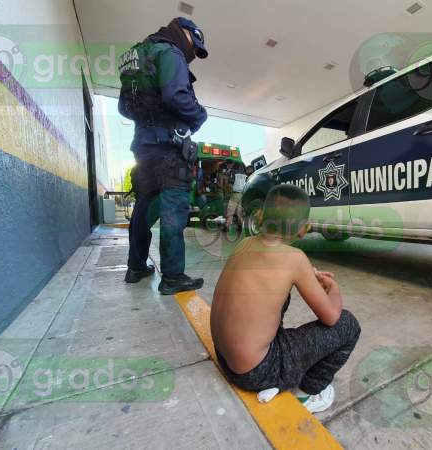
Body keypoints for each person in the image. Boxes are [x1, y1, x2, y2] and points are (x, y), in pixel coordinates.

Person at [210, 185, 361, 412]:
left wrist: (306, 274)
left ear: (260, 216)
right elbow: (331, 317)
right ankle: (307, 394)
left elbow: (274, 275)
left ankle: (275, 376)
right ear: (304, 230)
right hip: (255, 372)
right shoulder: (295, 259)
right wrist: (334, 288)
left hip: (224, 358)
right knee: (348, 325)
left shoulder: (244, 243)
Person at [120, 17, 209, 295]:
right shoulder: (170, 53)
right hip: (169, 147)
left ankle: (135, 267)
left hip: (143, 147)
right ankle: (172, 276)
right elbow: (175, 96)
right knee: (173, 210)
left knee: (144, 207)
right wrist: (200, 116)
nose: (193, 55)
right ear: (184, 33)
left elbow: (124, 107)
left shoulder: (140, 56)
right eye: (195, 47)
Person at [223, 164, 247, 229]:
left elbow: (231, 183)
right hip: (242, 194)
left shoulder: (234, 173)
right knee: (239, 211)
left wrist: (228, 191)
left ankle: (227, 226)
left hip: (235, 194)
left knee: (230, 210)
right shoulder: (245, 174)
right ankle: (240, 226)